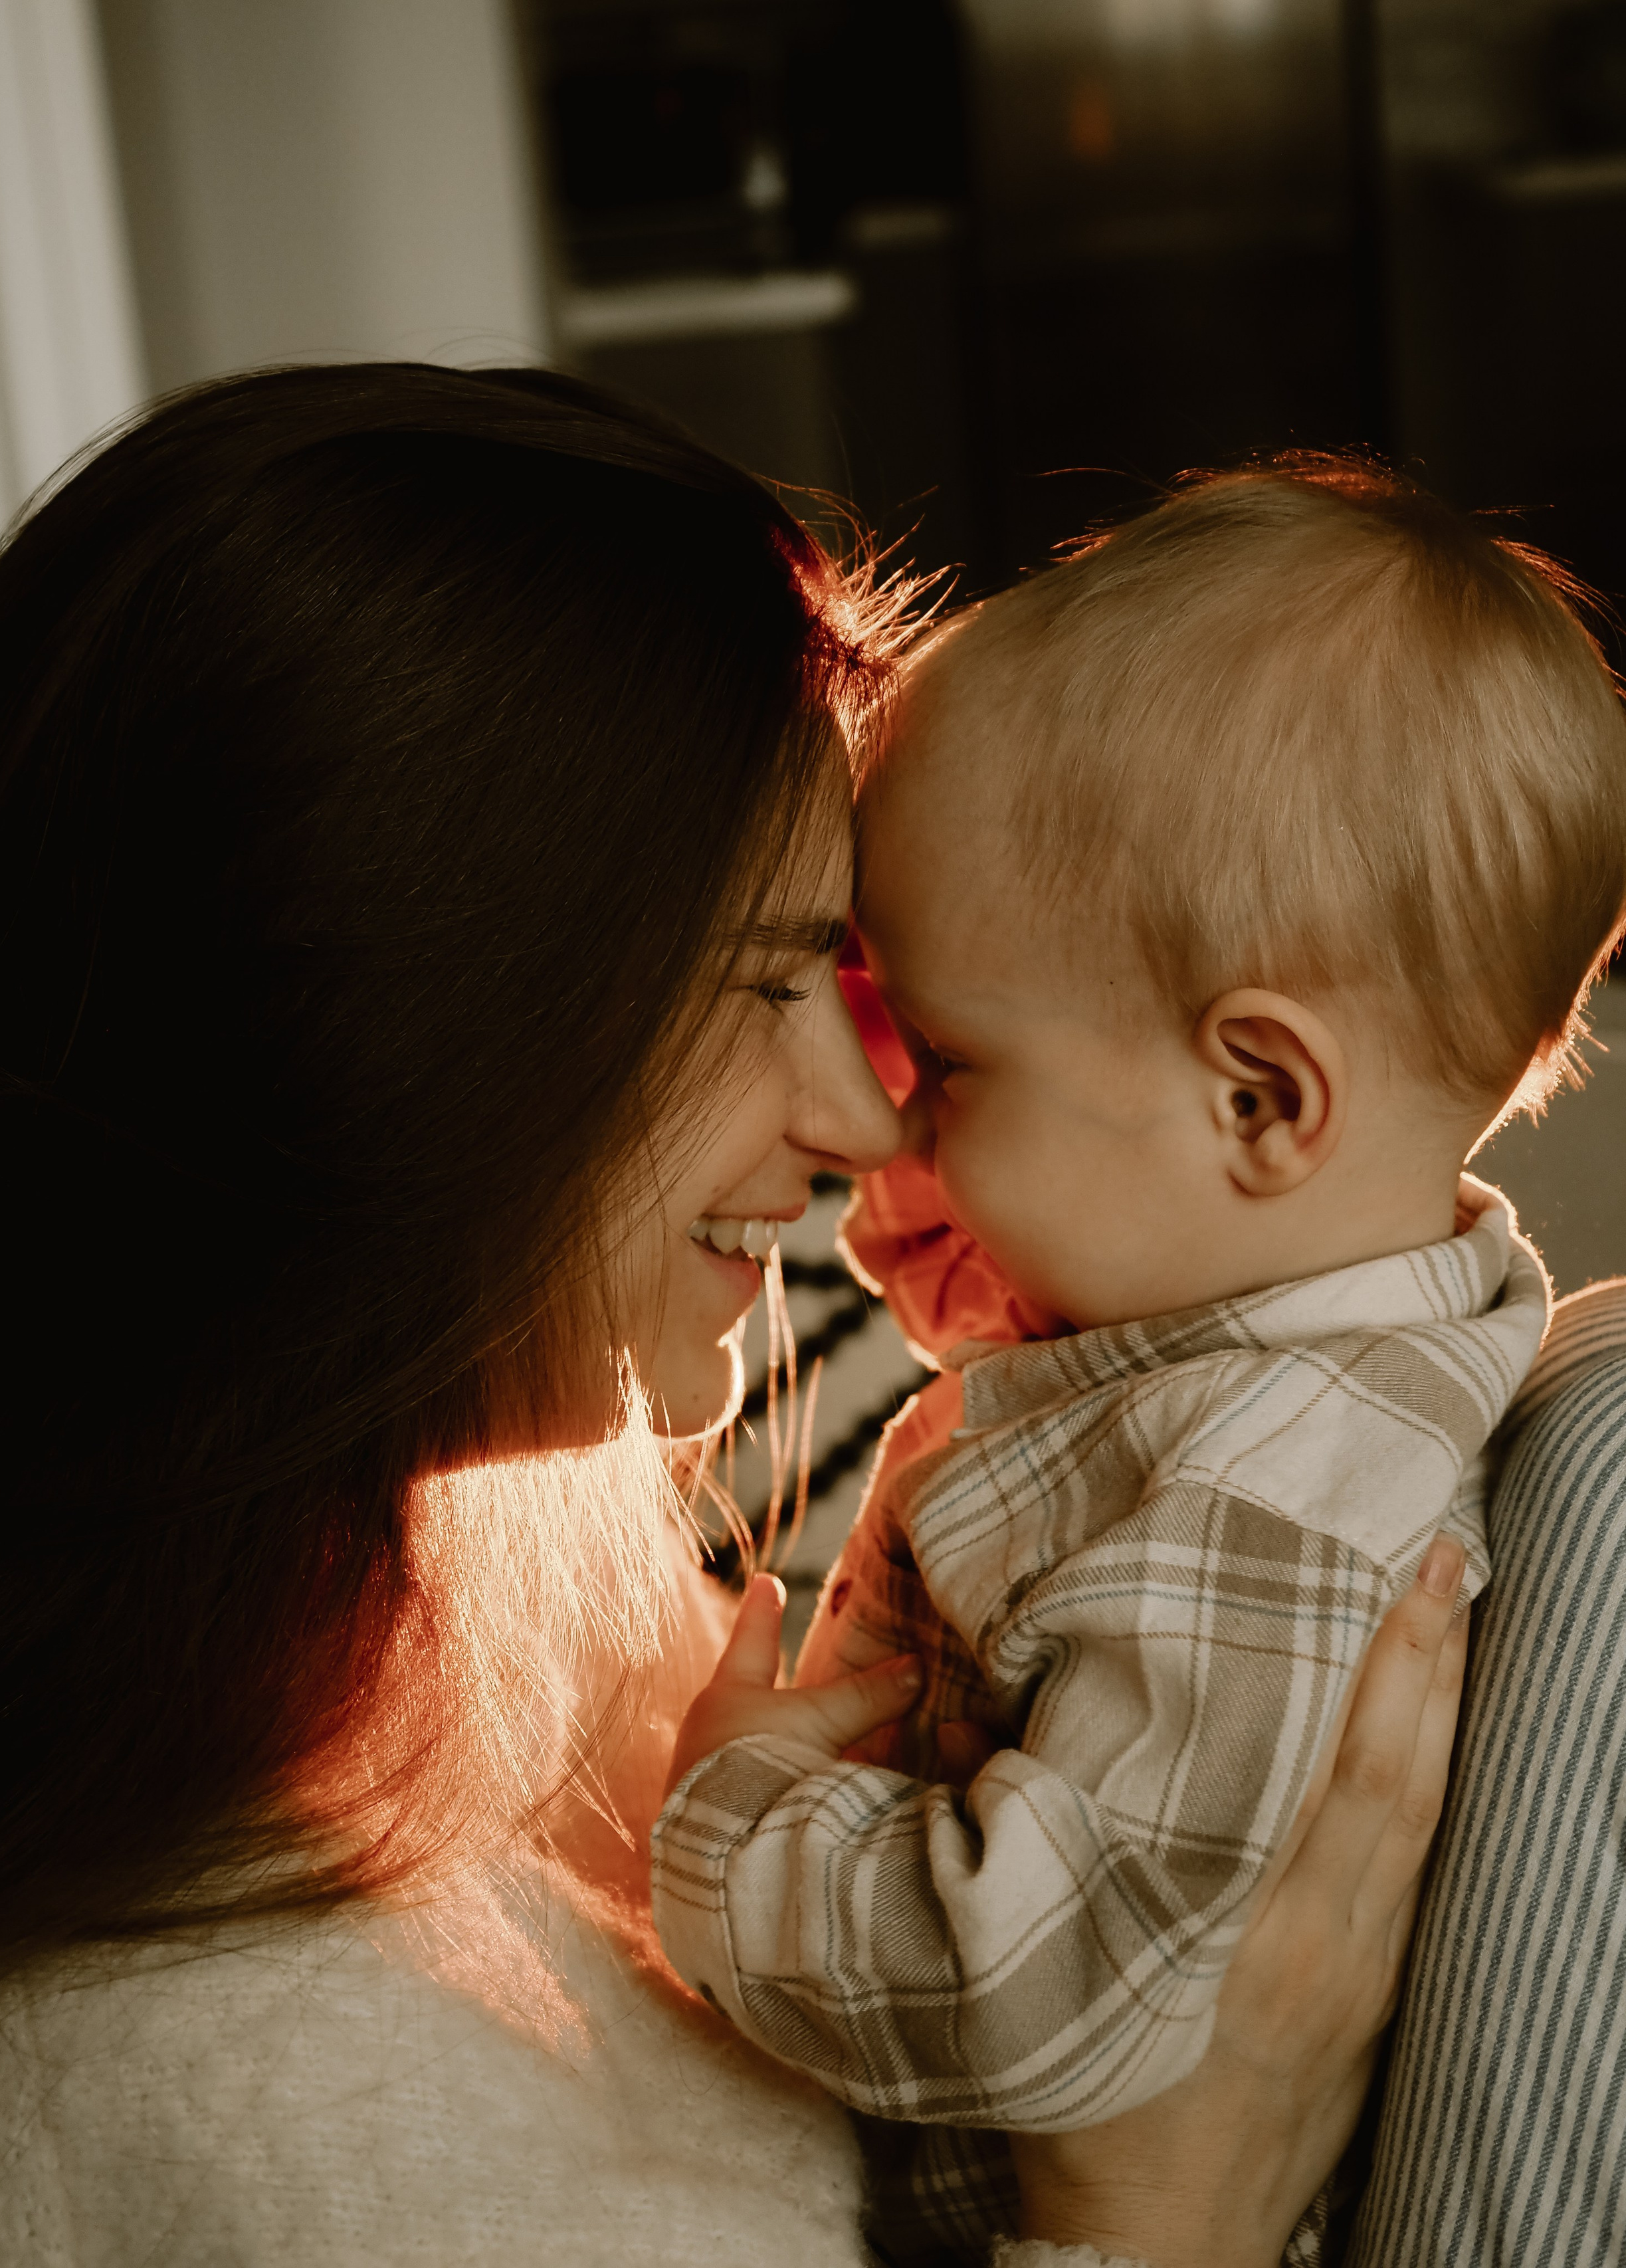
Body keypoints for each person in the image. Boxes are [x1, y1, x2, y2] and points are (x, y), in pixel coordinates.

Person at [0, 367, 1469, 2268]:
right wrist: (1169, 2220)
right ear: (421, 1037)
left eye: (860, 987)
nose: (865, 1116)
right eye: (761, 989)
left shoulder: (467, 1644)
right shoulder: (221, 2097)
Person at [650, 463, 1626, 2259]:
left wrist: (727, 1838)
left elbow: (1041, 1979)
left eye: (945, 1060)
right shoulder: (1276, 1358)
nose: (882, 1121)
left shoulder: (1268, 1497)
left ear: (1257, 1097)